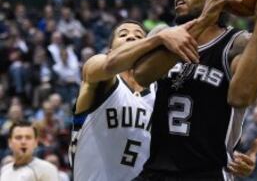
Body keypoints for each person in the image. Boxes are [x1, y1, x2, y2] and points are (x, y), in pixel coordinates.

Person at [133, 0, 257, 180]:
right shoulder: (163, 34)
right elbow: (142, 76)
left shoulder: (238, 42)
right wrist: (202, 21)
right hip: (156, 170)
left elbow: (241, 97)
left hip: (207, 173)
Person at [68, 20, 200, 181]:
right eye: (123, 34)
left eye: (139, 36)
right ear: (110, 50)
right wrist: (159, 38)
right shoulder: (98, 73)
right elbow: (108, 65)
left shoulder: (160, 92)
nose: (131, 37)